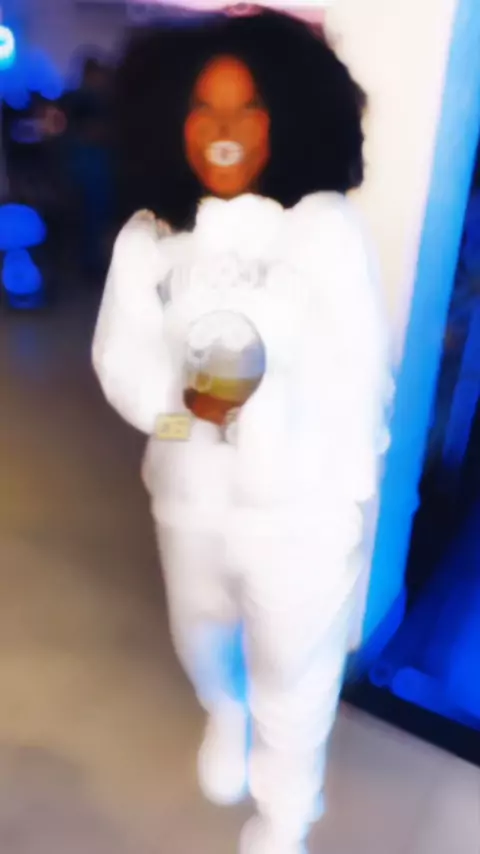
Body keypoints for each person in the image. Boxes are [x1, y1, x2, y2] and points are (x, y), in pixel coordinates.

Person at [92, 10, 393, 854]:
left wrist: (345, 498)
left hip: (300, 514)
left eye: (249, 106)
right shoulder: (151, 236)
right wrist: (179, 412)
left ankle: (287, 808)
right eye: (203, 107)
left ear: (288, 115)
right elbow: (118, 358)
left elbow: (361, 373)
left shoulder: (324, 229)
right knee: (202, 638)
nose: (223, 129)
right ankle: (225, 712)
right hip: (189, 500)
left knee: (295, 673)